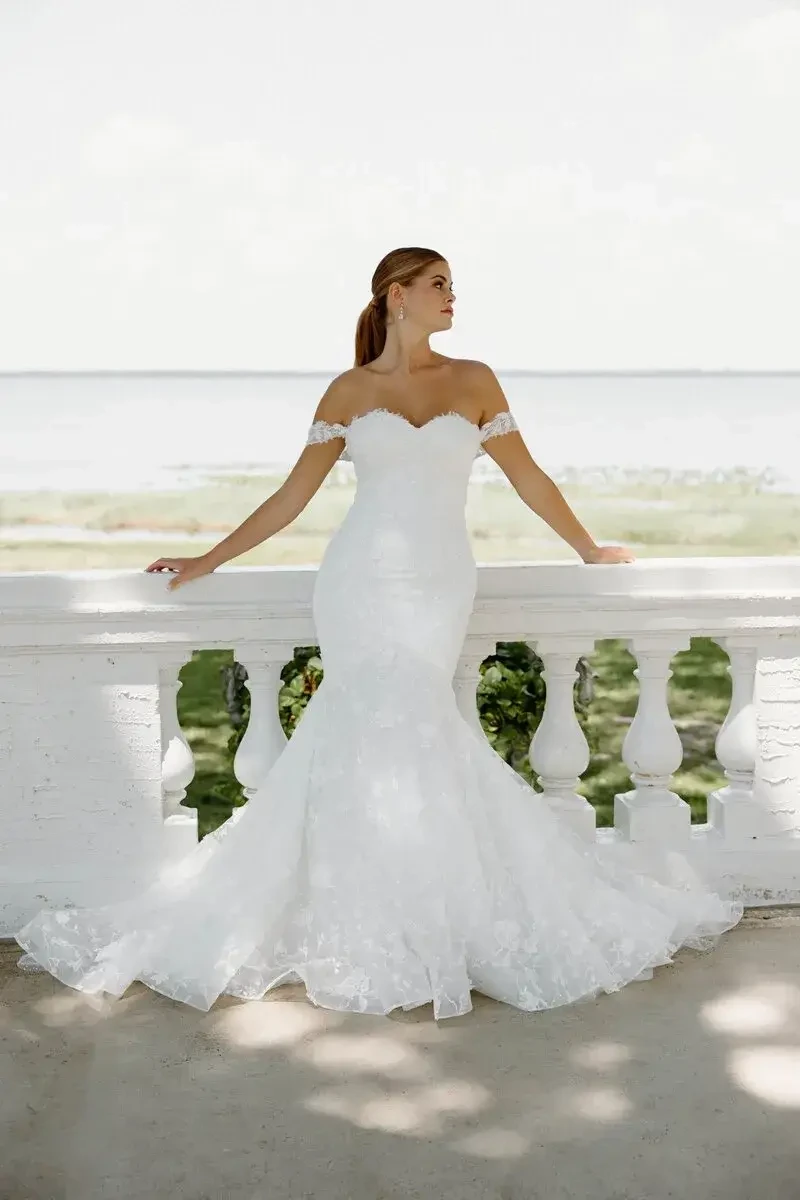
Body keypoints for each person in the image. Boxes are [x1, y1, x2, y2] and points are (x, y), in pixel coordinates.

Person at [16, 247, 742, 1019]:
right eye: (438, 285)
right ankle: (365, 915)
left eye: (453, 287)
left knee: (420, 725)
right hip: (358, 580)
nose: (452, 298)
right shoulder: (349, 390)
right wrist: (208, 558)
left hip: (439, 582)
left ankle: (431, 910)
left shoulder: (475, 380)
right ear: (397, 296)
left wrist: (588, 549)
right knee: (360, 731)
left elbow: (528, 476)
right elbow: (292, 496)